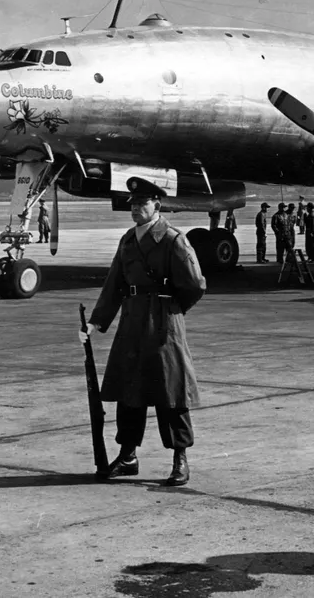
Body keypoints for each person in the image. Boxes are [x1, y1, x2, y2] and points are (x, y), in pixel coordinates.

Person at [79, 178, 206, 486]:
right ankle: (128, 456)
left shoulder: (174, 240)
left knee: (171, 392)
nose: (136, 209)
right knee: (129, 391)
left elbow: (194, 284)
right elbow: (114, 284)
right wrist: (96, 323)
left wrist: (171, 310)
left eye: (142, 204)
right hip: (133, 321)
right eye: (133, 204)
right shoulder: (127, 240)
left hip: (164, 324)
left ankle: (180, 458)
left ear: (157, 206)